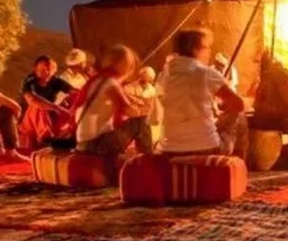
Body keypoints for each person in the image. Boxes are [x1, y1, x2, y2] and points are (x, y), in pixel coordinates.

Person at [157, 29, 248, 157]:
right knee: (240, 116)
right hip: (205, 148)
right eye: (207, 47)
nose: (209, 52)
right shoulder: (205, 73)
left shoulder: (163, 75)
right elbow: (239, 104)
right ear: (195, 49)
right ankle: (237, 169)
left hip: (167, 150)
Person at [74, 45, 152, 157]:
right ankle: (148, 161)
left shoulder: (98, 79)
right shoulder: (110, 83)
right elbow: (128, 110)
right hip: (95, 144)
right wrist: (144, 110)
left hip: (84, 141)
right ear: (121, 63)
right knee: (142, 122)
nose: (131, 67)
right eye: (129, 63)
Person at [19, 55, 75, 151]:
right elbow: (32, 100)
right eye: (41, 69)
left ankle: (71, 135)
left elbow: (75, 92)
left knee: (71, 100)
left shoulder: (55, 81)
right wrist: (57, 108)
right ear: (35, 69)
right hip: (30, 122)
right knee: (40, 107)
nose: (44, 72)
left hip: (51, 118)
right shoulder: (29, 81)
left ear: (53, 71)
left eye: (48, 69)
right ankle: (46, 139)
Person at [123, 65, 158, 153]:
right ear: (141, 75)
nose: (147, 79)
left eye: (149, 78)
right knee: (123, 144)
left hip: (144, 119)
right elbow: (125, 100)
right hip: (131, 119)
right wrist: (137, 101)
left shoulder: (153, 90)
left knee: (146, 147)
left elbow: (153, 105)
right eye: (145, 76)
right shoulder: (129, 87)